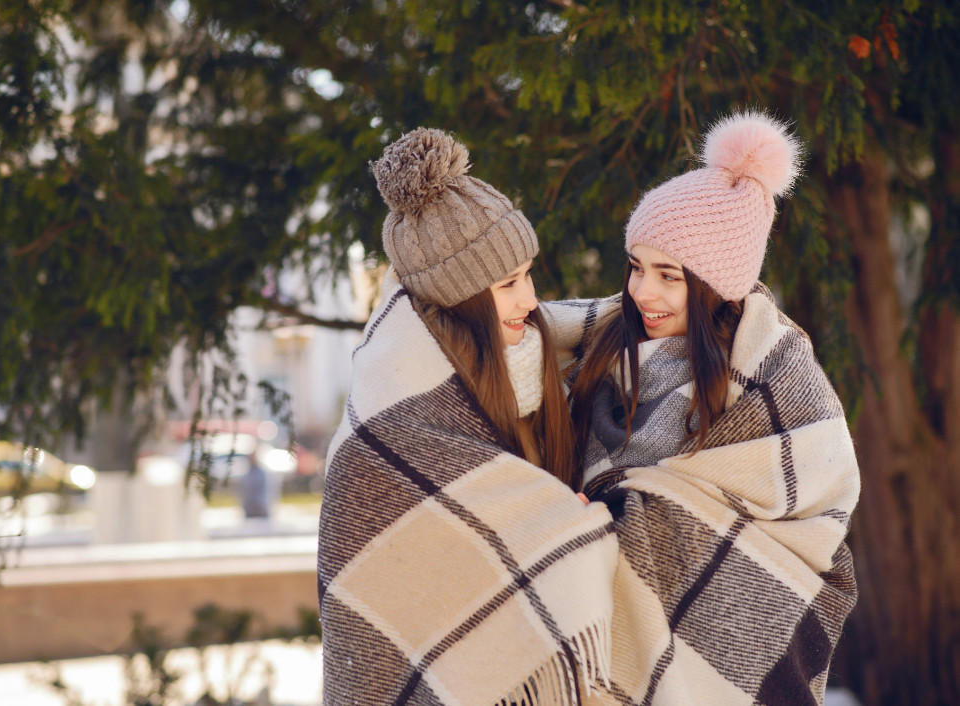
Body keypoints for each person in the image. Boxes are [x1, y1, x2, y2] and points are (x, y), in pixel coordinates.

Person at [549, 110, 861, 704]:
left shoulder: (778, 382)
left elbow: (810, 520)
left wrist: (623, 517)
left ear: (713, 285)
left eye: (669, 275)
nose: (642, 292)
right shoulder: (597, 357)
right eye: (637, 268)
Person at [317, 128, 617, 705]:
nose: (530, 301)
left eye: (528, 274)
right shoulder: (391, 426)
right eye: (508, 284)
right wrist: (563, 528)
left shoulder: (536, 368)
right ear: (461, 296)